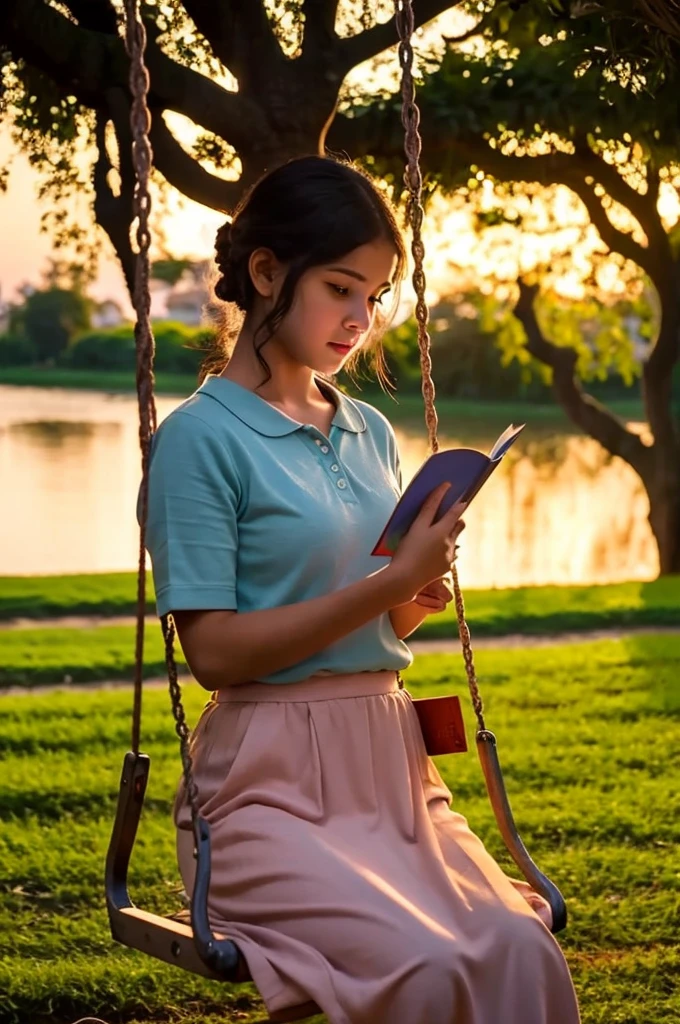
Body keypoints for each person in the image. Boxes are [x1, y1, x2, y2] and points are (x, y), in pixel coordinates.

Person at [143, 155, 580, 1024]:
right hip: (268, 791)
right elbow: (215, 654)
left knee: (520, 947)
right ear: (267, 272)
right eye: (342, 288)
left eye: (374, 296)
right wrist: (390, 584)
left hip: (390, 767)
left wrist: (416, 590)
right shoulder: (201, 438)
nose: (362, 318)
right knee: (423, 969)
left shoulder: (368, 428)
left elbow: (374, 616)